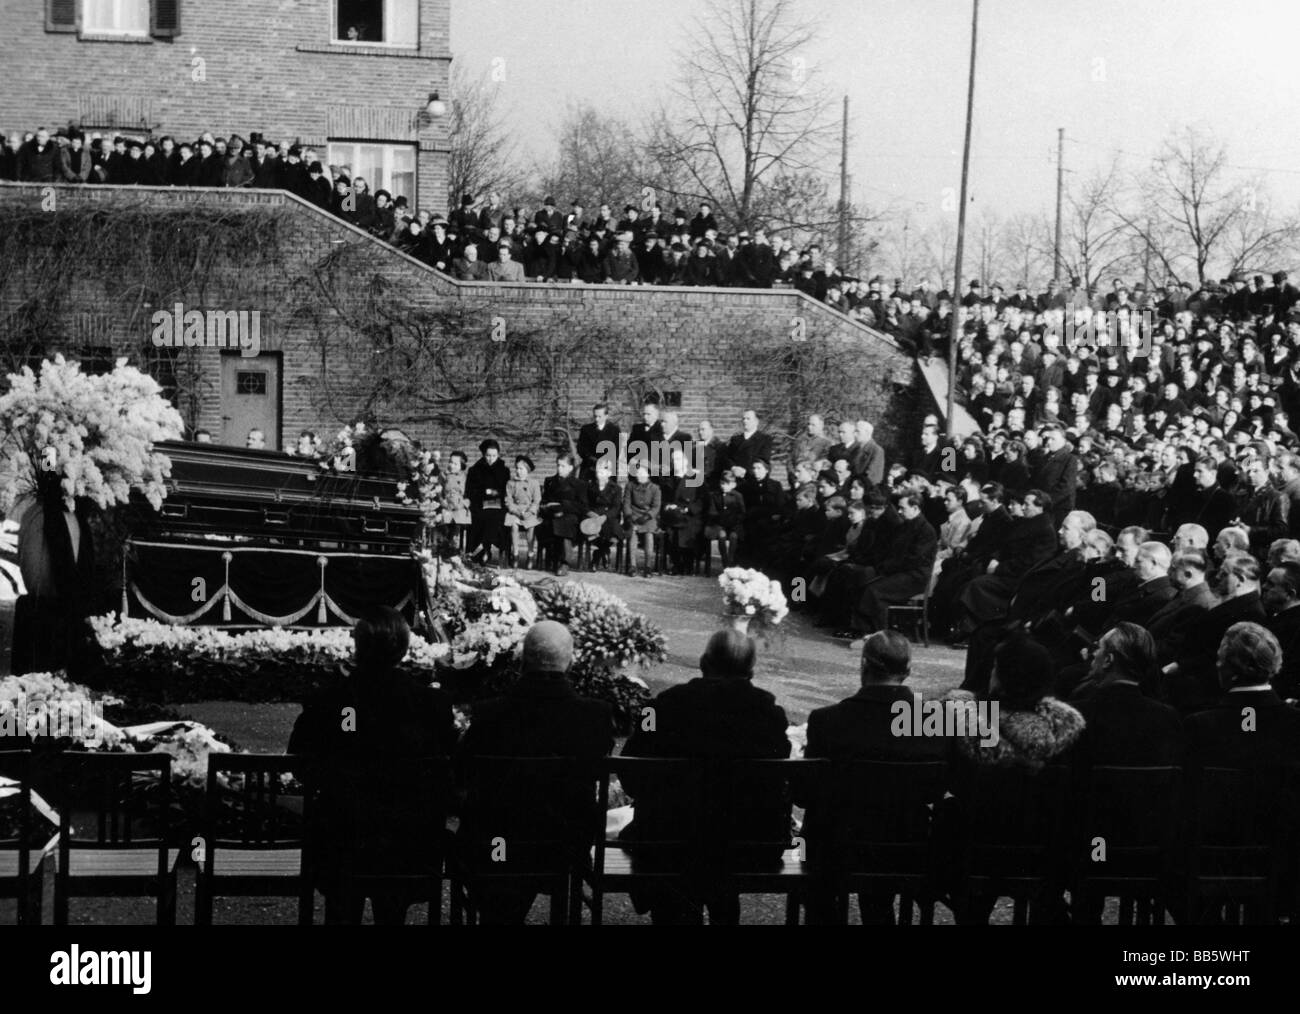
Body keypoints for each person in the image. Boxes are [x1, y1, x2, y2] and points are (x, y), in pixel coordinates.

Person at [288, 606, 455, 924]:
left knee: (342, 900)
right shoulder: (430, 705)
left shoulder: (328, 700)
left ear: (357, 647)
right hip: (408, 847)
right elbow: (446, 771)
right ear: (404, 650)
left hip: (343, 843)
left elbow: (300, 765)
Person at [619, 628, 790, 924]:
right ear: (750, 671)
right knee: (718, 860)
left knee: (677, 858)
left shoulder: (662, 707)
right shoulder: (770, 715)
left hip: (670, 843)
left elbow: (631, 773)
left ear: (703, 662)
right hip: (749, 846)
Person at [456, 621, 615, 923]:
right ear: (569, 661)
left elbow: (461, 774)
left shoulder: (490, 714)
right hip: (563, 850)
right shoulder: (595, 716)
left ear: (523, 659)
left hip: (496, 848)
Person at [801, 630, 947, 924]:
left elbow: (805, 794)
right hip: (907, 849)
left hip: (836, 849)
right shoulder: (934, 721)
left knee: (813, 835)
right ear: (907, 671)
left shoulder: (826, 720)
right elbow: (936, 790)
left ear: (863, 666)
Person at [538, 453, 588, 575]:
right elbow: (544, 501)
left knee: (564, 524)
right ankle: (553, 558)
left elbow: (583, 507)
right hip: (551, 515)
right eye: (558, 465)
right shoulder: (550, 481)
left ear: (571, 468)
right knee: (545, 524)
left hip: (570, 517)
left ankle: (564, 562)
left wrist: (563, 505)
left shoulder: (579, 484)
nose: (559, 468)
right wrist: (546, 507)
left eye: (563, 466)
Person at [465, 439, 511, 563]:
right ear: (484, 455)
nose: (491, 459)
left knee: (494, 517)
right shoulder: (475, 470)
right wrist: (485, 493)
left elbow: (505, 490)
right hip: (479, 503)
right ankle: (481, 550)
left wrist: (490, 492)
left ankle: (485, 549)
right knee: (479, 516)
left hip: (498, 504)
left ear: (498, 455)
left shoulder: (504, 470)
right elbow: (470, 490)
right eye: (488, 456)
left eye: (494, 456)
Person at [622, 461, 661, 577]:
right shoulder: (630, 486)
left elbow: (656, 506)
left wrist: (647, 516)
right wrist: (629, 516)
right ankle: (632, 566)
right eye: (637, 472)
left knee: (649, 534)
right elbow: (626, 503)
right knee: (632, 532)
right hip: (633, 515)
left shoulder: (655, 488)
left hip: (648, 517)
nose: (639, 475)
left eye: (642, 472)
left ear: (648, 474)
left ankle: (648, 567)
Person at [504, 455, 541, 569]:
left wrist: (531, 511)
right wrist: (515, 511)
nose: (518, 471)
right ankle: (515, 554)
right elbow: (508, 500)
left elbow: (537, 500)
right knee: (514, 525)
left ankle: (530, 554)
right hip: (515, 511)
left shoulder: (534, 483)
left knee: (531, 527)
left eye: (521, 469)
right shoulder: (511, 483)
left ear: (527, 471)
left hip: (529, 511)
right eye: (517, 468)